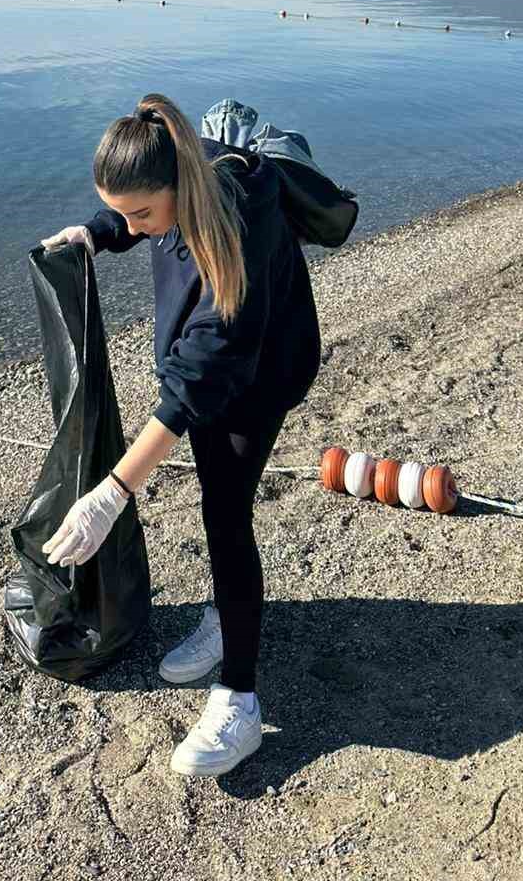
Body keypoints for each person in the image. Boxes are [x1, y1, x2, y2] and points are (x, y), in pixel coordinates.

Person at [41, 92, 321, 778]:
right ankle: (227, 615)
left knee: (226, 515)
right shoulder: (176, 179)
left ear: (179, 187)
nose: (134, 227)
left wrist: (112, 493)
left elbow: (199, 376)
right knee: (218, 504)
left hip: (262, 375)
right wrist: (96, 232)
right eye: (123, 213)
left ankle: (241, 700)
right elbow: (132, 215)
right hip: (214, 368)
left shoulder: (239, 228)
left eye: (141, 215)